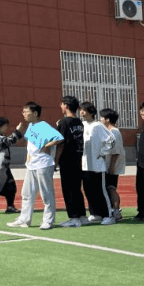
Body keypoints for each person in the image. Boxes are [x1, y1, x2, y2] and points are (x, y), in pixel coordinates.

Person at [8, 102, 63, 230]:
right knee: (27, 193)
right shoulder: (30, 126)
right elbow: (30, 144)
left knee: (46, 193)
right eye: (23, 111)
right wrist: (28, 157)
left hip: (44, 164)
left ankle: (48, 221)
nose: (24, 114)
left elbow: (59, 138)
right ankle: (24, 219)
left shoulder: (43, 125)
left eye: (26, 111)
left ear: (35, 113)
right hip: (32, 165)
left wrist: (47, 146)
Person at [76, 101, 116, 225]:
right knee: (88, 191)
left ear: (91, 112)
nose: (82, 112)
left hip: (97, 165)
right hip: (85, 165)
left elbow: (111, 140)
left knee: (100, 191)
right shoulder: (81, 125)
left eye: (84, 110)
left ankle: (108, 215)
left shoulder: (98, 125)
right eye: (80, 110)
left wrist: (102, 152)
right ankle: (95, 213)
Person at [55, 96, 88, 226]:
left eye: (62, 104)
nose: (61, 107)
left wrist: (55, 161)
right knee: (76, 188)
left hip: (67, 159)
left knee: (68, 189)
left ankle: (74, 218)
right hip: (78, 158)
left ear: (66, 106)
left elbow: (60, 143)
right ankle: (82, 216)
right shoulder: (79, 122)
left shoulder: (64, 122)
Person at [100, 109, 126, 220]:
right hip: (109, 164)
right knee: (108, 188)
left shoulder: (114, 132)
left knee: (111, 188)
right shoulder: (109, 131)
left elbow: (115, 152)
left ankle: (116, 211)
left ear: (107, 119)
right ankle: (112, 209)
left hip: (112, 165)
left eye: (102, 118)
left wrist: (111, 167)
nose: (100, 120)